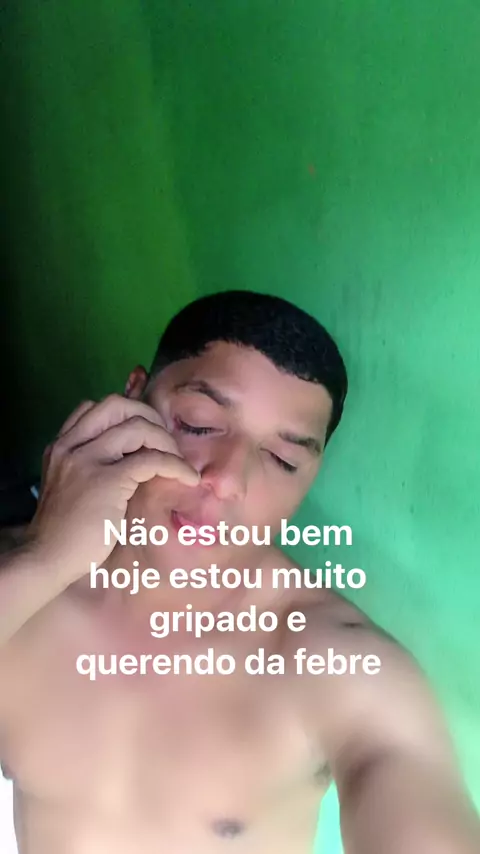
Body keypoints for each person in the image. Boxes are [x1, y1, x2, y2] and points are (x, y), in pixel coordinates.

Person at [0, 289, 478, 854]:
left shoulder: (336, 663)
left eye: (283, 459)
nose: (229, 480)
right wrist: (43, 557)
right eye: (199, 424)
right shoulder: (22, 584)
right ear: (132, 397)